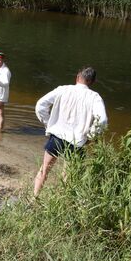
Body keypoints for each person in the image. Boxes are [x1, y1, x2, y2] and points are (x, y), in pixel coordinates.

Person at [33, 66, 108, 195]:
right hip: (77, 141)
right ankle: (61, 205)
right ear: (92, 82)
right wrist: (91, 136)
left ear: (77, 77)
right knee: (67, 177)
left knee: (44, 169)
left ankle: (34, 199)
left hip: (57, 136)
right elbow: (102, 120)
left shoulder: (63, 89)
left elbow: (40, 105)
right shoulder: (95, 97)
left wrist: (48, 123)